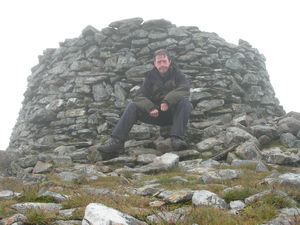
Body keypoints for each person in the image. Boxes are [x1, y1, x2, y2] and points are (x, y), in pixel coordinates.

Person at [97, 49, 192, 159]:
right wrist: (150, 108)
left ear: (169, 62)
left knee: (185, 103)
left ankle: (176, 139)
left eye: (164, 61)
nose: (162, 64)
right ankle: (116, 142)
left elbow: (184, 89)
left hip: (173, 115)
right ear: (155, 64)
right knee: (132, 106)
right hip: (156, 114)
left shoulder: (178, 74)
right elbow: (139, 96)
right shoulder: (150, 77)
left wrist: (167, 101)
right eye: (159, 62)